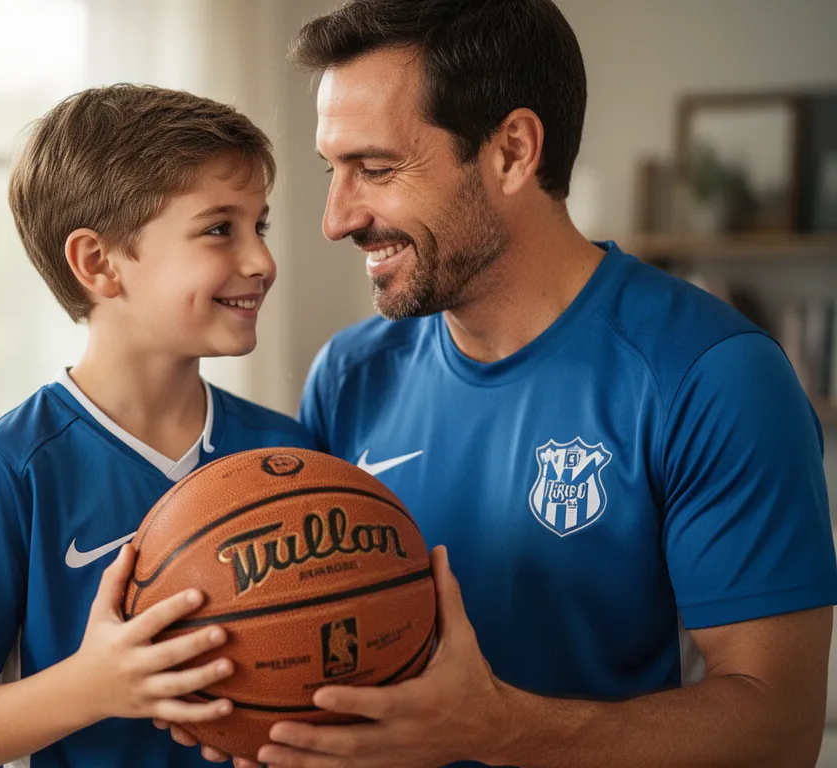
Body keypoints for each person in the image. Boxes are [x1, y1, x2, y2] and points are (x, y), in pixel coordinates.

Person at [248, 1, 837, 766]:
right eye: (335, 170)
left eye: (378, 168)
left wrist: (500, 730)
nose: (336, 218)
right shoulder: (348, 375)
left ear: (513, 151)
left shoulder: (712, 376)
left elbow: (778, 729)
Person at [0, 83, 314, 768]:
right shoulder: (7, 469)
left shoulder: (287, 452)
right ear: (99, 264)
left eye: (259, 226)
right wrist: (92, 687)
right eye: (220, 229)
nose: (262, 262)